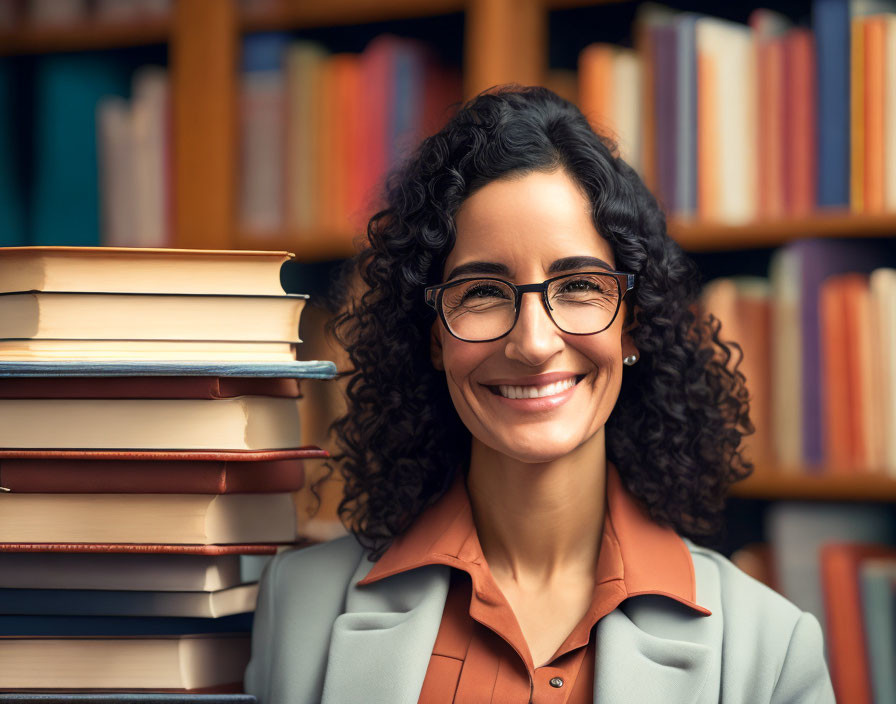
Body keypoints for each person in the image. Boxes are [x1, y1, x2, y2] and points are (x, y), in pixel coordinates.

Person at [244, 86, 835, 703]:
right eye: (481, 292)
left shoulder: (772, 648)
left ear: (632, 322)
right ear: (433, 339)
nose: (534, 342)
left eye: (579, 285)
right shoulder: (297, 608)